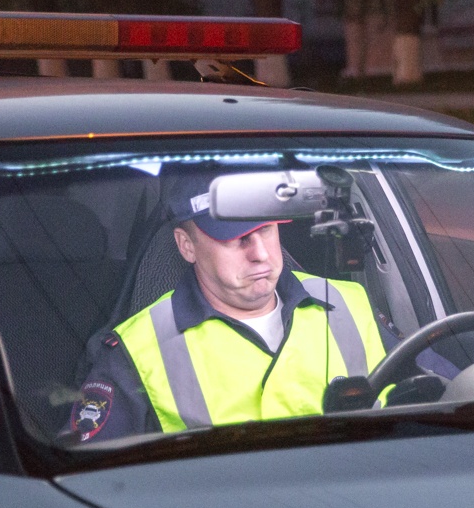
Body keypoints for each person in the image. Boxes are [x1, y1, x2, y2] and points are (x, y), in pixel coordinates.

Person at [69, 174, 393, 442]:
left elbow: (435, 392)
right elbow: (89, 481)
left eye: (266, 229)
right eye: (237, 238)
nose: (261, 254)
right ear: (186, 246)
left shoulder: (350, 302)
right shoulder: (134, 352)